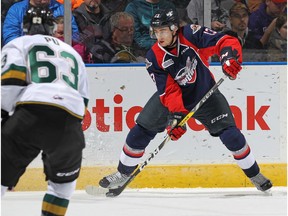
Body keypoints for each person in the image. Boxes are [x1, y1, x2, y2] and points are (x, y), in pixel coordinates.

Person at [98, 8, 273, 193]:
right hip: (173, 99)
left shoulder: (191, 34)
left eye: (163, 30)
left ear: (174, 29)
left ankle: (255, 175)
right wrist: (176, 117)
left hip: (206, 93)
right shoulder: (154, 57)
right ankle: (122, 173)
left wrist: (228, 58)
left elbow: (225, 41)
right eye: (156, 31)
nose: (159, 36)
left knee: (231, 135)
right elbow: (168, 90)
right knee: (141, 130)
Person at [1, 6, 89, 216]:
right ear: (52, 28)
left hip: (29, 115)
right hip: (68, 122)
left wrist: (5, 119)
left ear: (24, 27)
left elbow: (10, 83)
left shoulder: (18, 43)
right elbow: (83, 99)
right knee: (62, 188)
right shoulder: (71, 53)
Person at [2, 0, 79, 46]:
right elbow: (10, 37)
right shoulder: (16, 9)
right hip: (26, 54)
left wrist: (58, 44)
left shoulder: (62, 9)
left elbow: (74, 35)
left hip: (56, 53)